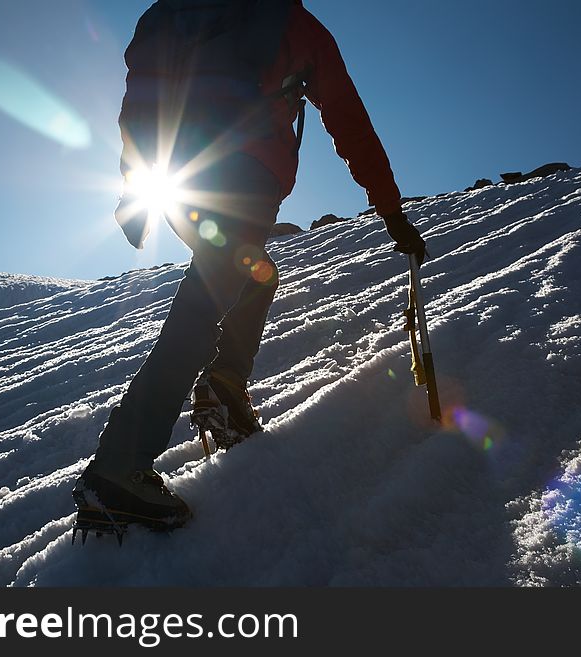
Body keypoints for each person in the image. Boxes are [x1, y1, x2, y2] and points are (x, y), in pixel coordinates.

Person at [72, 0, 426, 537]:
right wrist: (391, 210)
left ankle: (224, 389)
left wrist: (135, 185)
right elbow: (348, 119)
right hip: (246, 176)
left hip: (181, 181)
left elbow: (139, 99)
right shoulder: (292, 22)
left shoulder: (172, 13)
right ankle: (119, 469)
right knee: (207, 302)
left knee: (253, 277)